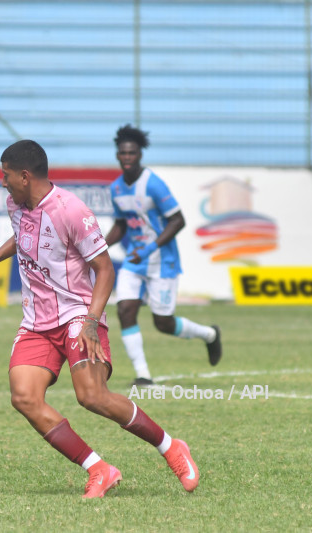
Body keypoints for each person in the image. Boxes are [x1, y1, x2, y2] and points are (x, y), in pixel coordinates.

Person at [0, 140, 199, 499]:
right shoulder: (16, 202)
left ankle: (170, 446)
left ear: (25, 176)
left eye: (6, 175)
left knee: (92, 396)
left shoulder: (71, 210)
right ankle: (99, 469)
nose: (2, 183)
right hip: (35, 321)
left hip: (77, 313)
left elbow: (105, 270)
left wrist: (91, 321)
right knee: (24, 397)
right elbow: (24, 233)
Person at [105, 124, 222, 387]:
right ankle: (143, 375)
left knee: (163, 323)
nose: (127, 158)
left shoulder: (153, 184)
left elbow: (178, 221)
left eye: (132, 153)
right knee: (124, 309)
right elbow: (122, 225)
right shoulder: (116, 189)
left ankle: (209, 335)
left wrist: (150, 248)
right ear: (117, 155)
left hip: (162, 261)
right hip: (135, 261)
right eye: (123, 153)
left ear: (140, 155)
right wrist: (100, 246)